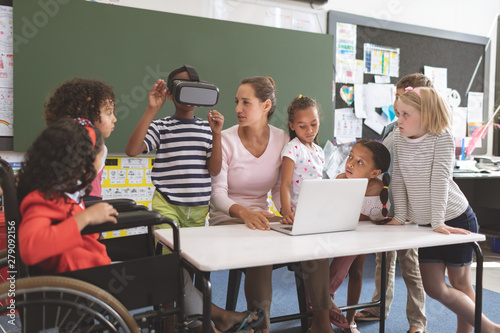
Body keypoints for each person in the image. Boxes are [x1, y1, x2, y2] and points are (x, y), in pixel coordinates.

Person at [17, 118, 261, 333]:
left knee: (173, 267)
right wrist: (84, 219)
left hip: (94, 272)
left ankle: (216, 319)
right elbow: (31, 248)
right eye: (100, 152)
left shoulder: (63, 194)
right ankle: (215, 322)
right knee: (173, 273)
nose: (102, 157)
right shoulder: (42, 200)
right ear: (79, 161)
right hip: (88, 283)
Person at [210, 78, 334, 333]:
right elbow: (218, 195)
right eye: (237, 102)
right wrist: (245, 213)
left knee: (316, 244)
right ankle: (261, 326)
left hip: (265, 218)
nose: (238, 109)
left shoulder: (281, 140)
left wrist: (287, 212)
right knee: (261, 252)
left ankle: (321, 324)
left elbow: (279, 188)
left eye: (246, 102)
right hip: (229, 219)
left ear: (266, 105)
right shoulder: (225, 140)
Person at [384, 87, 500, 333]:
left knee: (460, 283)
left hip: (456, 217)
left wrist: (438, 222)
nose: (399, 120)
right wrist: (399, 216)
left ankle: (474, 330)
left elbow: (440, 181)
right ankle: (489, 327)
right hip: (430, 224)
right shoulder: (398, 135)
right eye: (397, 113)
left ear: (425, 115)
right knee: (433, 287)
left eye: (406, 114)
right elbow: (399, 178)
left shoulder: (442, 137)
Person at [356, 73, 430, 333]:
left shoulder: (424, 130)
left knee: (410, 264)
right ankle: (379, 306)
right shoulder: (392, 126)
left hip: (408, 208)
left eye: (404, 96)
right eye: (397, 96)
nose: (398, 102)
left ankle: (418, 321)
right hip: (387, 203)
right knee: (383, 260)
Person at [126, 65, 224, 248]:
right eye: (183, 88)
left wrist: (217, 134)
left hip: (198, 207)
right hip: (166, 203)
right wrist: (151, 109)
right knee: (168, 255)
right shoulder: (161, 126)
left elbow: (214, 170)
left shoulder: (207, 129)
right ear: (171, 94)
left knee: (192, 258)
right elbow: (132, 150)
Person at [325, 140, 390, 333]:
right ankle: (325, 307)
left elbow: (377, 217)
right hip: (339, 235)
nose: (350, 164)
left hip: (361, 239)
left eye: (360, 162)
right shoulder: (340, 180)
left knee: (357, 272)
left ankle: (350, 318)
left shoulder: (378, 189)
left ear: (374, 173)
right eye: (350, 156)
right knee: (330, 264)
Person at [43, 78, 117, 204]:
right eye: (109, 113)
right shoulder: (95, 147)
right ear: (87, 116)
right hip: (84, 208)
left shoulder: (53, 144)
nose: (114, 119)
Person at [280, 95, 324, 224]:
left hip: (316, 212)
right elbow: (286, 184)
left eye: (314, 124)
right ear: (292, 126)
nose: (310, 130)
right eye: (302, 126)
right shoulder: (292, 149)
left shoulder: (320, 151)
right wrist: (287, 212)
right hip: (297, 214)